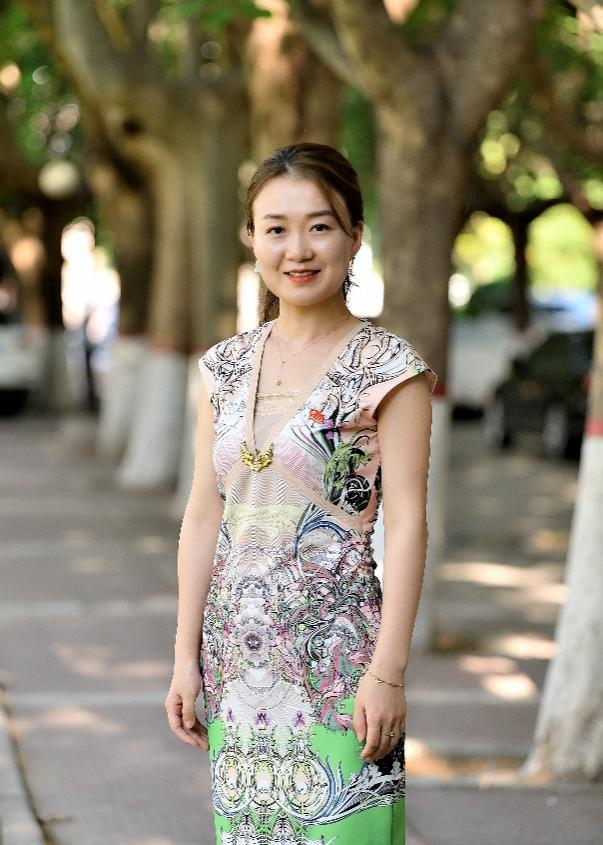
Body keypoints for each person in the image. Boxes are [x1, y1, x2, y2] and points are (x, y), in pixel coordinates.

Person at [165, 142, 438, 845]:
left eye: (319, 226)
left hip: (341, 666)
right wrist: (185, 657)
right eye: (276, 228)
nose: (298, 249)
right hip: (238, 664)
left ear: (354, 236)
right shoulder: (223, 367)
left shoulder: (389, 369)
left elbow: (408, 524)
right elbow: (204, 514)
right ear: (252, 238)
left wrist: (389, 672)